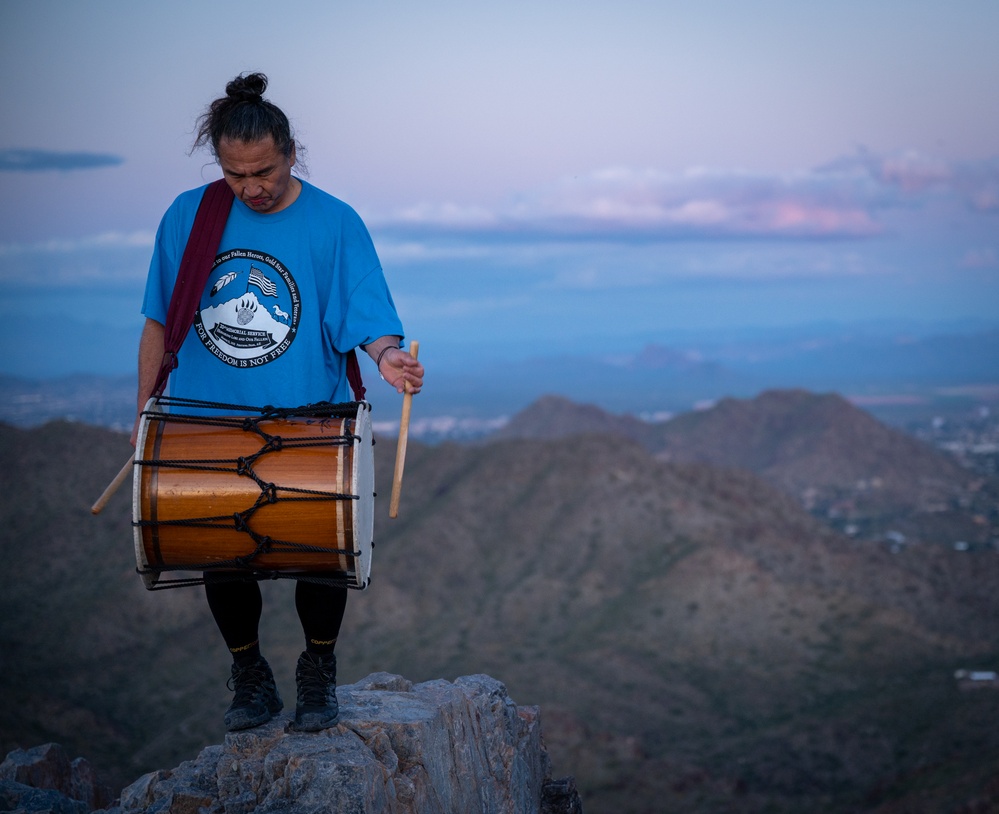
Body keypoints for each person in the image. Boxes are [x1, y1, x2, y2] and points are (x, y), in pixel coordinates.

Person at [131, 72, 424, 733]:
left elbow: (365, 312)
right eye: (235, 175)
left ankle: (317, 673)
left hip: (305, 415)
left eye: (262, 170)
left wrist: (387, 357)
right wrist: (144, 412)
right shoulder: (189, 216)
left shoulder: (334, 222)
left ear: (291, 152)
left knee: (321, 550)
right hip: (206, 415)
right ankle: (249, 674)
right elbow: (157, 319)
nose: (251, 188)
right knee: (219, 552)